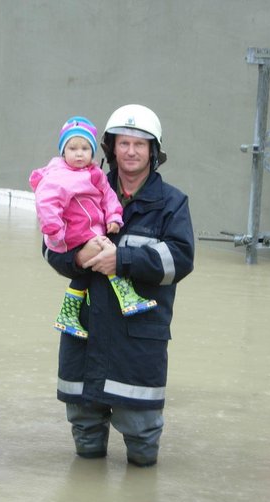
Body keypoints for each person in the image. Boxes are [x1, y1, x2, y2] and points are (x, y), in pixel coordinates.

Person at [42, 104, 195, 467]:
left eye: (139, 144)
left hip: (138, 340)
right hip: (85, 333)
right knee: (84, 431)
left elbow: (181, 260)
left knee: (141, 439)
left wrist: (121, 261)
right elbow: (51, 246)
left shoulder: (171, 204)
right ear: (110, 148)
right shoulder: (79, 187)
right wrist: (77, 259)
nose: (130, 151)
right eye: (123, 143)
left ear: (153, 151)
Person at [29, 116, 157, 339]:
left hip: (93, 231)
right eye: (73, 148)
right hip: (72, 234)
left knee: (98, 258)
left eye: (85, 148)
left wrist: (114, 216)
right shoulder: (57, 176)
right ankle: (126, 296)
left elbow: (107, 197)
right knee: (102, 252)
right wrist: (59, 236)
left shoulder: (96, 175)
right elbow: (46, 203)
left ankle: (68, 314)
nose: (79, 153)